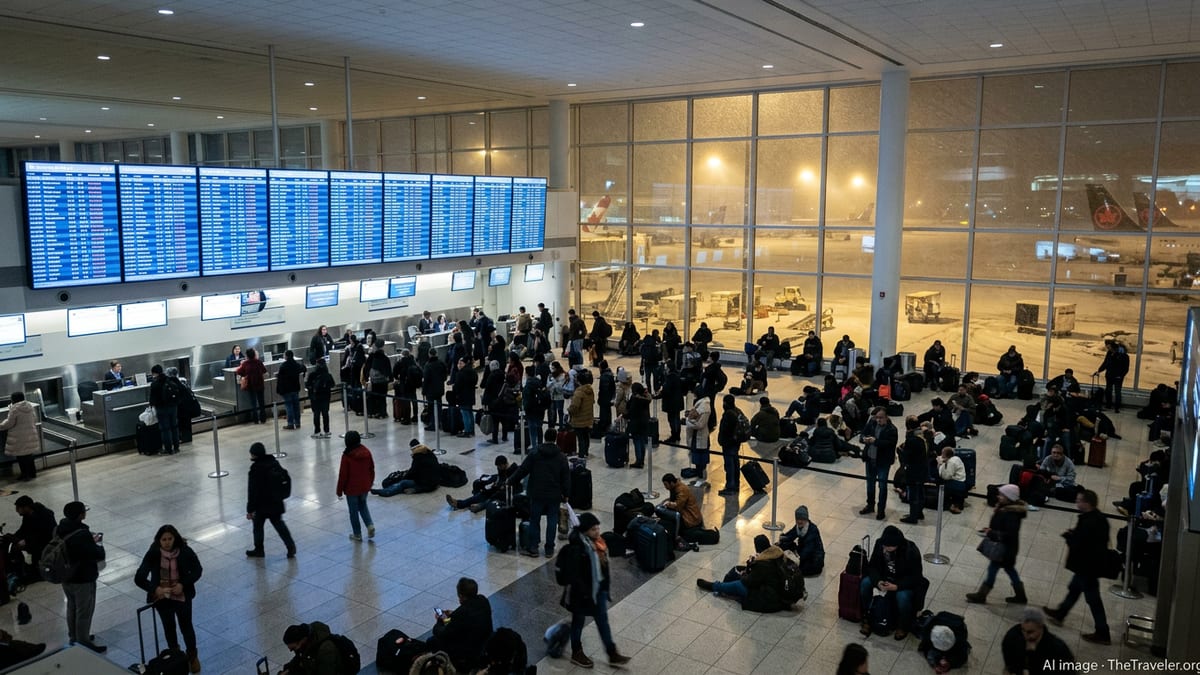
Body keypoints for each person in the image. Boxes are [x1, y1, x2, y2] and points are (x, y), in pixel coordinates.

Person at [554, 512, 631, 669]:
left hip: (597, 592)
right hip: (581, 595)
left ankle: (612, 653)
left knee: (602, 622)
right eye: (593, 529)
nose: (597, 532)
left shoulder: (597, 544)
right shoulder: (578, 550)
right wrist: (586, 593)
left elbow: (602, 569)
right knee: (578, 622)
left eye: (598, 528)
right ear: (584, 531)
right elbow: (575, 577)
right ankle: (577, 652)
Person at [1043, 489, 1112, 645]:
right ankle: (1061, 613)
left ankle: (1103, 632)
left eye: (1079, 500)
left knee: (1093, 599)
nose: (1077, 502)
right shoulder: (1099, 518)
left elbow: (1080, 545)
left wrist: (1069, 537)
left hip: (1087, 566)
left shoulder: (1088, 522)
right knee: (1074, 589)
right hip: (1090, 564)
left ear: (1087, 503)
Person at [134, 524, 203, 673]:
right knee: (169, 627)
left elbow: (198, 570)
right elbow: (139, 578)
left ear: (175, 538)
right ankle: (176, 657)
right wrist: (155, 589)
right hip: (162, 599)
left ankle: (192, 657)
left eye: (170, 539)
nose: (167, 542)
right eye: (163, 539)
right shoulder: (153, 553)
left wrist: (183, 584)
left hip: (182, 596)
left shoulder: (185, 551)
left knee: (186, 626)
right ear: (158, 540)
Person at [508, 429, 570, 557]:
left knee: (534, 519)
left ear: (544, 438)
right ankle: (549, 549)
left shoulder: (535, 453)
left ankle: (534, 547)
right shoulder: (561, 457)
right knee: (552, 520)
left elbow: (523, 469)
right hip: (554, 494)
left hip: (537, 493)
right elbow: (566, 477)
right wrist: (566, 493)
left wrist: (510, 480)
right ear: (555, 439)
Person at [859, 525, 928, 639]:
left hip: (902, 582)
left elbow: (916, 577)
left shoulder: (910, 550)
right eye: (884, 546)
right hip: (884, 577)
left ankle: (903, 624)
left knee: (903, 597)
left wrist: (897, 586)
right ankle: (867, 616)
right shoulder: (880, 544)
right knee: (865, 583)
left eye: (889, 546)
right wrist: (878, 581)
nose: (886, 549)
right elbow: (873, 567)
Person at [56, 501, 106, 653]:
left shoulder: (59, 529)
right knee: (84, 610)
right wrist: (98, 545)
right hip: (83, 579)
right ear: (80, 515)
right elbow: (96, 554)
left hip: (66, 576)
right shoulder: (82, 533)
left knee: (72, 607)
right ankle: (83, 642)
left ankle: (74, 637)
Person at [966, 484, 1028, 605]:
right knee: (1009, 569)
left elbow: (1008, 534)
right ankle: (1021, 595)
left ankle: (981, 595)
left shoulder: (1011, 514)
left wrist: (991, 533)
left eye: (1001, 495)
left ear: (1009, 498)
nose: (998, 496)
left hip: (1004, 549)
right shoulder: (1006, 509)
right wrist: (990, 530)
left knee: (993, 569)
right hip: (1007, 549)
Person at [696, 541, 789, 612]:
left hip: (768, 598)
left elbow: (749, 581)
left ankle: (715, 586)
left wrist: (744, 575)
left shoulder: (764, 564)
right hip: (776, 592)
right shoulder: (777, 556)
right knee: (739, 571)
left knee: (738, 584)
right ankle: (723, 586)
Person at [426, 577, 494, 672]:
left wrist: (440, 621)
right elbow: (471, 612)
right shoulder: (483, 600)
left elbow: (442, 633)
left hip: (468, 651)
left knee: (432, 641)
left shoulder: (461, 614)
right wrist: (452, 614)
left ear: (461, 596)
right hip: (485, 642)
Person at [245, 442, 296, 558]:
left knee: (258, 527)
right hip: (275, 503)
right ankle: (290, 546)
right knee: (279, 525)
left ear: (255, 455)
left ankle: (259, 550)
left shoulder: (255, 469)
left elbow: (252, 491)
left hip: (260, 505)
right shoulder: (274, 463)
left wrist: (250, 509)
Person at [1002, 608, 1075, 675]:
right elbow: (1009, 664)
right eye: (1023, 630)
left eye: (1030, 632)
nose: (1026, 635)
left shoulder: (1058, 648)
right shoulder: (1012, 638)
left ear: (1041, 627)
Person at [336, 430, 376, 542]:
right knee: (363, 505)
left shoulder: (347, 456)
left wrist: (339, 491)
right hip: (364, 486)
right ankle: (370, 525)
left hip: (351, 489)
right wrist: (370, 482)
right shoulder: (366, 452)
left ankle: (357, 534)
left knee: (353, 512)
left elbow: (342, 475)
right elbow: (371, 468)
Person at [859, 407, 898, 521]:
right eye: (877, 417)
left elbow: (890, 444)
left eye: (881, 418)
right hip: (870, 459)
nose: (878, 420)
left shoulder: (892, 429)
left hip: (883, 462)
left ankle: (881, 510)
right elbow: (862, 435)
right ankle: (870, 505)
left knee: (882, 486)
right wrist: (864, 439)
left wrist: (875, 441)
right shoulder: (871, 423)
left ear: (886, 417)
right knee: (870, 484)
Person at [447, 455, 516, 512]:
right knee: (483, 493)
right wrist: (495, 484)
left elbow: (510, 484)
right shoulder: (501, 469)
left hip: (506, 492)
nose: (498, 468)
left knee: (494, 497)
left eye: (499, 466)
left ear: (504, 464)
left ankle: (478, 505)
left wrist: (499, 485)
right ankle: (459, 503)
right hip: (498, 488)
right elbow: (499, 478)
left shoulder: (513, 470)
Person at [10, 496, 55, 584]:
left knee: (21, 547)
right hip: (36, 540)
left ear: (26, 507)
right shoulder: (27, 515)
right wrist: (13, 537)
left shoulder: (45, 515)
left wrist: (26, 541)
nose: (17, 511)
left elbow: (43, 534)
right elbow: (23, 529)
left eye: (18, 508)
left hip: (46, 542)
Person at [372, 441, 440, 496]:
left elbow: (412, 472)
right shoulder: (429, 453)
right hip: (434, 482)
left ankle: (386, 492)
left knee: (403, 483)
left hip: (426, 484)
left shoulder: (418, 457)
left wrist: (403, 478)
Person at [1, 392, 40, 480]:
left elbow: (9, 423)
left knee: (21, 457)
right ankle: (32, 473)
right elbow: (35, 419)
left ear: (13, 399)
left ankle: (25, 475)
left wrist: (1, 426)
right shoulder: (29, 406)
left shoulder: (15, 409)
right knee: (29, 455)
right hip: (30, 434)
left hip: (19, 437)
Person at [281, 622, 345, 675]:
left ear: (303, 640)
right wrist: (287, 670)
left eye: (293, 648)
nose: (291, 651)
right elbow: (299, 659)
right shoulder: (305, 643)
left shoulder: (325, 650)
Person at [777, 505, 825, 576]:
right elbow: (790, 535)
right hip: (802, 550)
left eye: (802, 519)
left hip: (813, 556)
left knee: (804, 568)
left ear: (806, 519)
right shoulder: (798, 527)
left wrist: (796, 560)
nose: (799, 521)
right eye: (797, 519)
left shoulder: (813, 530)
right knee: (783, 544)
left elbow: (808, 550)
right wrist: (782, 539)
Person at [147, 365, 182, 455]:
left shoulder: (155, 384)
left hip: (162, 408)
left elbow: (152, 399)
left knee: (165, 429)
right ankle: (177, 447)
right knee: (174, 426)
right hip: (173, 407)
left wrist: (152, 405)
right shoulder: (171, 379)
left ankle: (168, 449)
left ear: (155, 373)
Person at [899, 416, 928, 524]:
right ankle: (919, 512)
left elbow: (906, 455)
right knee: (920, 491)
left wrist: (901, 450)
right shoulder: (922, 435)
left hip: (914, 470)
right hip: (923, 468)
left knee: (913, 493)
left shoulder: (912, 439)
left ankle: (913, 516)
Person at [660, 473, 705, 542]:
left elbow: (678, 505)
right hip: (687, 513)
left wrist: (669, 504)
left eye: (666, 484)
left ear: (671, 483)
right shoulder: (675, 488)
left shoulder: (682, 490)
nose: (665, 487)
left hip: (691, 517)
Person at [716, 395, 742, 496]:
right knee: (735, 463)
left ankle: (730, 486)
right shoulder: (737, 411)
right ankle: (736, 484)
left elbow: (725, 430)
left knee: (729, 465)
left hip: (729, 443)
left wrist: (722, 440)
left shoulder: (728, 414)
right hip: (736, 442)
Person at [274, 350, 306, 431]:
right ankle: (298, 422)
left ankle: (290, 423)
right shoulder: (296, 364)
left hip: (287, 389)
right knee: (296, 406)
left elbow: (280, 377)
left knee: (289, 406)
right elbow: (303, 368)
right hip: (295, 388)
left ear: (286, 356)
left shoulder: (283, 366)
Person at [685, 393, 712, 487]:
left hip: (701, 437)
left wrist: (688, 422)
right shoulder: (699, 405)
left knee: (702, 459)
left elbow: (700, 424)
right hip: (695, 437)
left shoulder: (705, 408)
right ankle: (699, 475)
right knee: (696, 458)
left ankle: (702, 477)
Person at [1094, 340, 1130, 413]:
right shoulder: (1110, 353)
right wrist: (1099, 370)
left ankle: (1116, 407)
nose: (1108, 349)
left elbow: (1125, 367)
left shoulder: (1122, 355)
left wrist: (1121, 375)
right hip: (1110, 375)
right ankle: (1109, 405)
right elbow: (1106, 363)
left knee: (1117, 391)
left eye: (1109, 347)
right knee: (1109, 390)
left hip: (1117, 376)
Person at [235, 348, 268, 424]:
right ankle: (263, 418)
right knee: (261, 403)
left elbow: (239, 371)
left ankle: (256, 419)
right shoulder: (258, 362)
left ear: (247, 355)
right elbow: (265, 372)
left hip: (251, 385)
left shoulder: (245, 364)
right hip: (260, 384)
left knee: (254, 403)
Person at [568, 368, 595, 457]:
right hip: (588, 417)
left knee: (580, 438)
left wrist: (569, 410)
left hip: (579, 419)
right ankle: (586, 452)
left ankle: (581, 454)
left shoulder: (579, 392)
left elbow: (575, 407)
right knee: (586, 436)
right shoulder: (590, 390)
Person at [304, 359, 335, 439]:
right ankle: (327, 431)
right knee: (325, 413)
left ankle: (317, 431)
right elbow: (332, 385)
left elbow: (307, 385)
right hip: (326, 397)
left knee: (316, 414)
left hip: (315, 397)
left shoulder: (312, 375)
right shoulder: (328, 375)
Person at [656, 361, 685, 444]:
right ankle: (677, 436)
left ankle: (674, 436)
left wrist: (658, 395)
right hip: (678, 401)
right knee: (677, 418)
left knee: (672, 419)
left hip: (672, 402)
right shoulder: (677, 376)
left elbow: (666, 390)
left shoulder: (670, 378)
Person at [625, 382, 652, 468]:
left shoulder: (635, 399)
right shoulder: (645, 399)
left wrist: (624, 415)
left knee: (637, 441)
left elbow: (630, 411)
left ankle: (638, 461)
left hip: (636, 423)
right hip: (644, 422)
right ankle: (642, 460)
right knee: (642, 441)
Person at [936, 446, 968, 513]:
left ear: (945, 455)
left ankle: (947, 504)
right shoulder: (956, 458)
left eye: (942, 454)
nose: (941, 455)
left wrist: (940, 464)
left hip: (957, 483)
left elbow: (945, 477)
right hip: (961, 481)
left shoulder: (951, 462)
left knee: (939, 481)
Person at [422, 352, 448, 432]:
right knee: (438, 406)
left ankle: (433, 424)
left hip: (430, 390)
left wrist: (424, 390)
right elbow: (445, 375)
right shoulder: (441, 363)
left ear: (429, 354)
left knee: (431, 407)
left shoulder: (428, 365)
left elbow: (426, 379)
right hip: (439, 388)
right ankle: (439, 422)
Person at [452, 357, 478, 438]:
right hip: (470, 395)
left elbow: (457, 386)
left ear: (464, 364)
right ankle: (472, 430)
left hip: (463, 396)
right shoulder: (473, 371)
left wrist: (454, 387)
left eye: (460, 363)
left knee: (465, 414)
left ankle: (467, 431)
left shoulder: (460, 373)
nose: (458, 365)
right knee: (470, 413)